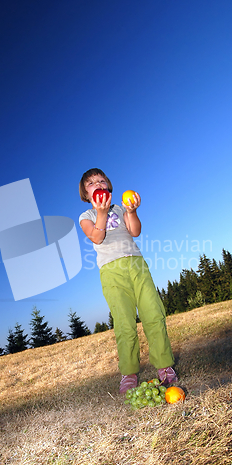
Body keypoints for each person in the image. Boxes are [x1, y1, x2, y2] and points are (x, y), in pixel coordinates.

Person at [79, 168, 178, 394]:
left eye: (101, 180)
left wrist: (131, 211)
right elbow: (97, 236)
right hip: (111, 271)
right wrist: (101, 212)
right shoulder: (87, 216)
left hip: (136, 264)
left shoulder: (122, 207)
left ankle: (164, 366)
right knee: (124, 323)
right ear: (85, 194)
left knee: (153, 313)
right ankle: (129, 373)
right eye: (91, 183)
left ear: (109, 186)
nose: (98, 183)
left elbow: (135, 231)